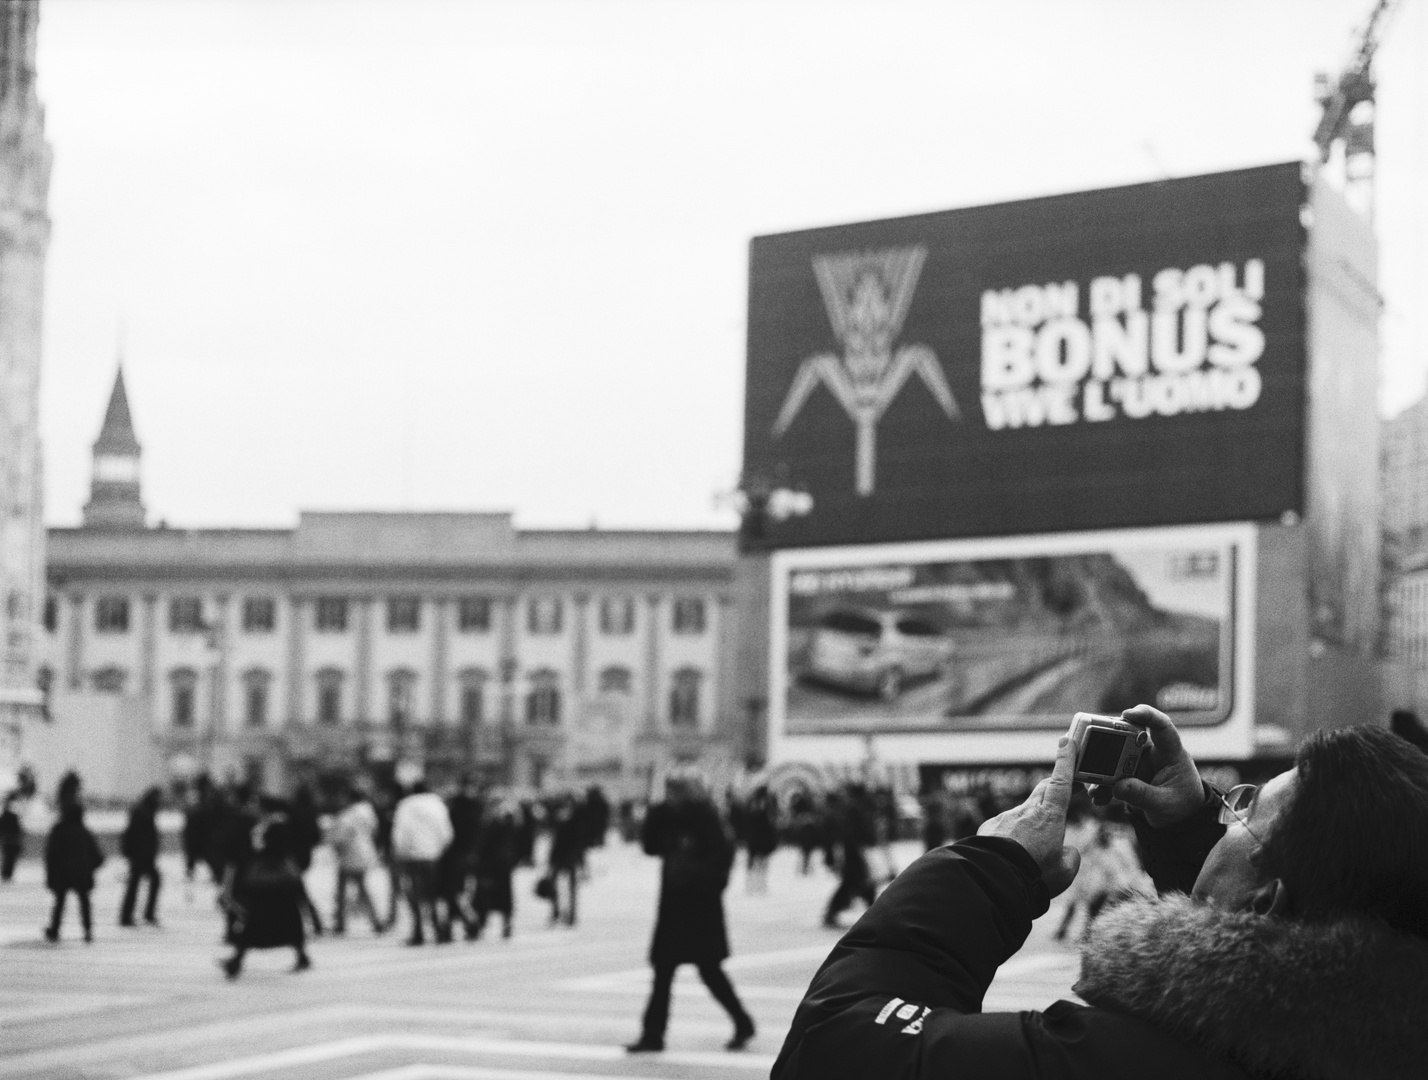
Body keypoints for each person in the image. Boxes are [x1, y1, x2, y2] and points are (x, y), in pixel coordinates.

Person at [771, 705, 1428, 1079]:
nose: (1227, 814)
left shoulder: (1110, 1061)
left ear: (1267, 900)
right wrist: (1190, 836)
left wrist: (985, 870)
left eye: (1242, 814)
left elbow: (830, 1050)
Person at [626, 769, 756, 1054]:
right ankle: (653, 1034)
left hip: (700, 904)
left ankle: (742, 1021)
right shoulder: (667, 817)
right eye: (668, 788)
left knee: (709, 970)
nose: (671, 793)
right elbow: (649, 847)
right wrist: (656, 815)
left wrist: (693, 872)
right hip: (674, 904)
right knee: (663, 970)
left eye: (676, 788)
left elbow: (723, 854)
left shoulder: (706, 817)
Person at [220, 808, 313, 978]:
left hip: (267, 894)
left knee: (253, 929)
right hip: (282, 895)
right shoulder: (284, 851)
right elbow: (296, 882)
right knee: (290, 928)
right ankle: (302, 957)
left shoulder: (270, 847)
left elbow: (252, 877)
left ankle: (236, 961)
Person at [392, 780, 453, 945]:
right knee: (432, 894)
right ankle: (438, 929)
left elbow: (399, 833)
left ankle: (418, 931)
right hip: (432, 856)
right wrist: (438, 850)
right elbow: (446, 833)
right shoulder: (438, 805)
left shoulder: (405, 805)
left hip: (410, 856)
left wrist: (399, 852)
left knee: (414, 895)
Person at [43, 780, 105, 943]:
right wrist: (89, 867)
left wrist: (50, 875)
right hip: (81, 873)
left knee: (60, 903)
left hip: (63, 874)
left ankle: (55, 930)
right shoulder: (84, 832)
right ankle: (88, 930)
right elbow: (98, 856)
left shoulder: (58, 830)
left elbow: (51, 855)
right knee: (84, 903)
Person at [329, 784, 385, 935]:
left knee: (344, 889)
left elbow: (341, 835)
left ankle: (341, 922)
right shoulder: (369, 812)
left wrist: (334, 844)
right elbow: (374, 830)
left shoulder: (349, 814)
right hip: (365, 850)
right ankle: (375, 920)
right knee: (362, 887)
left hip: (350, 854)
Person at [822, 783, 877, 927]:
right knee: (854, 883)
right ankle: (874, 914)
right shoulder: (855, 808)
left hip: (852, 851)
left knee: (856, 883)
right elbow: (857, 832)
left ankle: (873, 913)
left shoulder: (851, 807)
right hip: (854, 852)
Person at [474, 798, 521, 938]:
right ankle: (502, 923)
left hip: (492, 864)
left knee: (486, 894)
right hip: (502, 864)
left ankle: (482, 924)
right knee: (501, 895)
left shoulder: (492, 823)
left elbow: (483, 844)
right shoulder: (510, 822)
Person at [119, 786, 163, 927]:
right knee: (143, 882)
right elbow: (137, 835)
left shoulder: (145, 809)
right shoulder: (143, 811)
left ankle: (129, 915)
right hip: (141, 855)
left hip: (141, 854)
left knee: (135, 884)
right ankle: (138, 915)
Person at [546, 794, 584, 926]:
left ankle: (570, 916)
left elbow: (578, 844)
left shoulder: (575, 822)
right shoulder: (560, 821)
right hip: (561, 858)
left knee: (570, 888)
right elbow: (556, 842)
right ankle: (557, 913)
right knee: (555, 886)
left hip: (569, 858)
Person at [1, 794, 23, 882]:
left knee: (9, 858)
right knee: (10, 858)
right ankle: (7, 874)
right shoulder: (12, 817)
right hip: (11, 840)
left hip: (9, 840)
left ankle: (7, 874)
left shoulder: (7, 816)